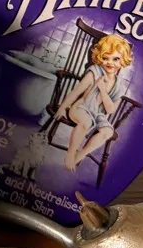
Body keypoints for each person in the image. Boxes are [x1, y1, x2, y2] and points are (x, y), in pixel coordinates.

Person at [54, 34, 133, 171]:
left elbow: (110, 110)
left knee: (108, 132)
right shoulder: (94, 72)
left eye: (116, 59)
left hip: (98, 115)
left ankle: (80, 155)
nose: (110, 63)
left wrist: (102, 90)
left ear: (123, 61)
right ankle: (71, 153)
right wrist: (62, 107)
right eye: (105, 58)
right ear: (99, 57)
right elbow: (76, 92)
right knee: (86, 121)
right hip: (81, 108)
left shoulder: (119, 85)